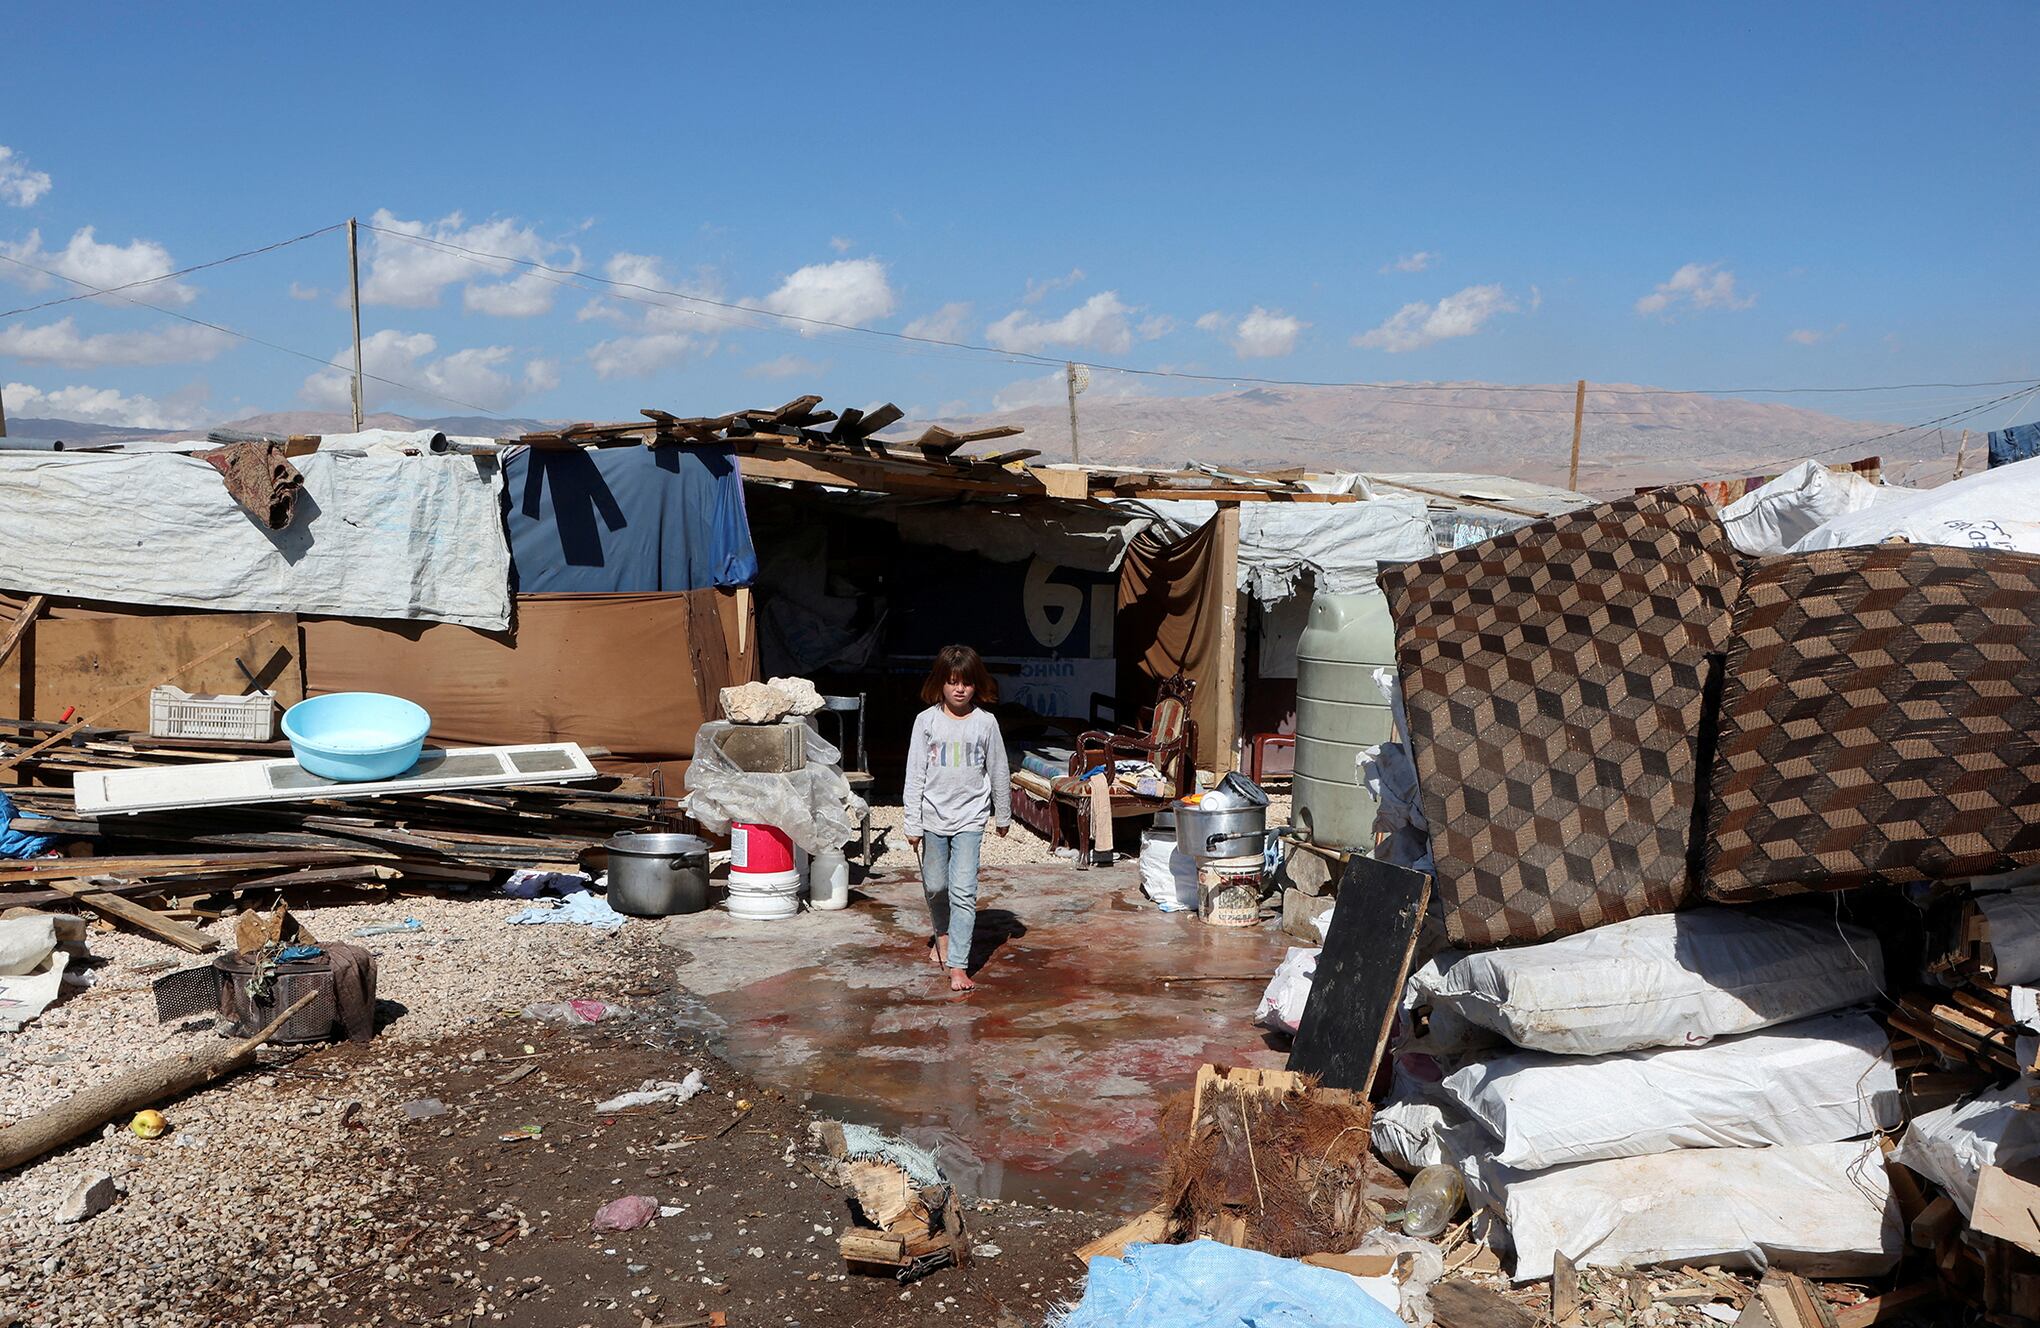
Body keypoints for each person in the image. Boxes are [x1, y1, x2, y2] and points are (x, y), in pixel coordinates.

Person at [902, 644, 1011, 993]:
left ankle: (958, 966)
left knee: (963, 891)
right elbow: (914, 774)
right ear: (940, 684)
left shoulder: (986, 723)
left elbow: (998, 770)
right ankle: (942, 933)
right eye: (952, 682)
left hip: (970, 819)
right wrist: (912, 822)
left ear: (977, 685)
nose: (959, 689)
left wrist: (1003, 813)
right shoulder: (926, 722)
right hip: (933, 817)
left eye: (966, 683)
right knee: (936, 885)